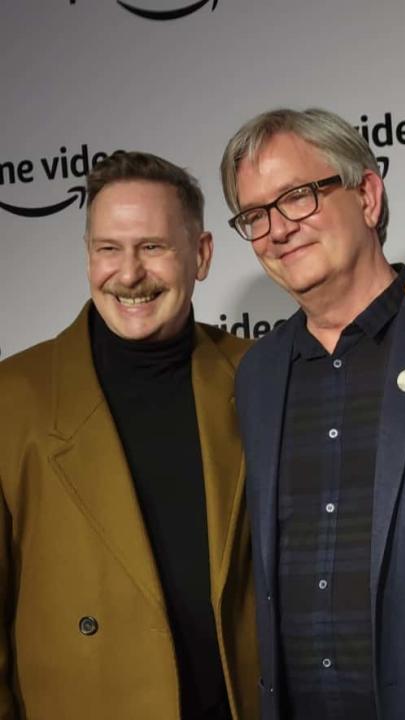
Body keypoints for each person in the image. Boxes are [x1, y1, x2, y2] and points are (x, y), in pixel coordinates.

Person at [220, 107, 405, 720]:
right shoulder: (258, 375)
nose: (277, 229)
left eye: (297, 197)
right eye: (255, 215)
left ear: (368, 196)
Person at [0, 151, 259, 719]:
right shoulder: (11, 398)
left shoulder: (261, 374)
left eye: (153, 246)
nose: (129, 273)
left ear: (202, 254)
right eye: (108, 249)